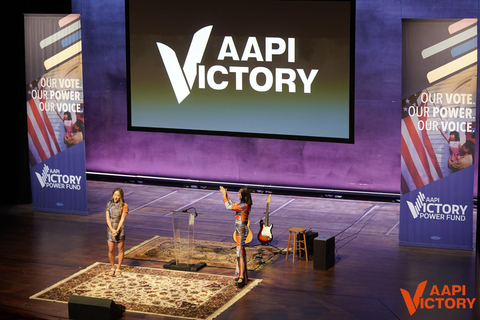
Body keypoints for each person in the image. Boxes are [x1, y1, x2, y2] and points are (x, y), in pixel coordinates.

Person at [219, 186, 252, 288]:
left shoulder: (244, 206)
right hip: (239, 230)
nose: (238, 195)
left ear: (243, 195)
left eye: (239, 193)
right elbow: (232, 204)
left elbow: (229, 206)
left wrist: (224, 195)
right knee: (239, 251)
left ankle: (241, 275)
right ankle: (240, 274)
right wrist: (226, 195)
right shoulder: (242, 204)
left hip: (241, 231)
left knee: (240, 251)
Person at [106, 188, 129, 276]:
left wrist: (117, 230)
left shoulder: (124, 205)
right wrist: (112, 230)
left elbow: (122, 219)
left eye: (118, 195)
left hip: (120, 229)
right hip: (110, 229)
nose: (116, 197)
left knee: (120, 249)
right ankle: (112, 266)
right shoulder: (108, 204)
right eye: (115, 195)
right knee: (111, 250)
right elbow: (107, 218)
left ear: (121, 196)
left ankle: (118, 267)